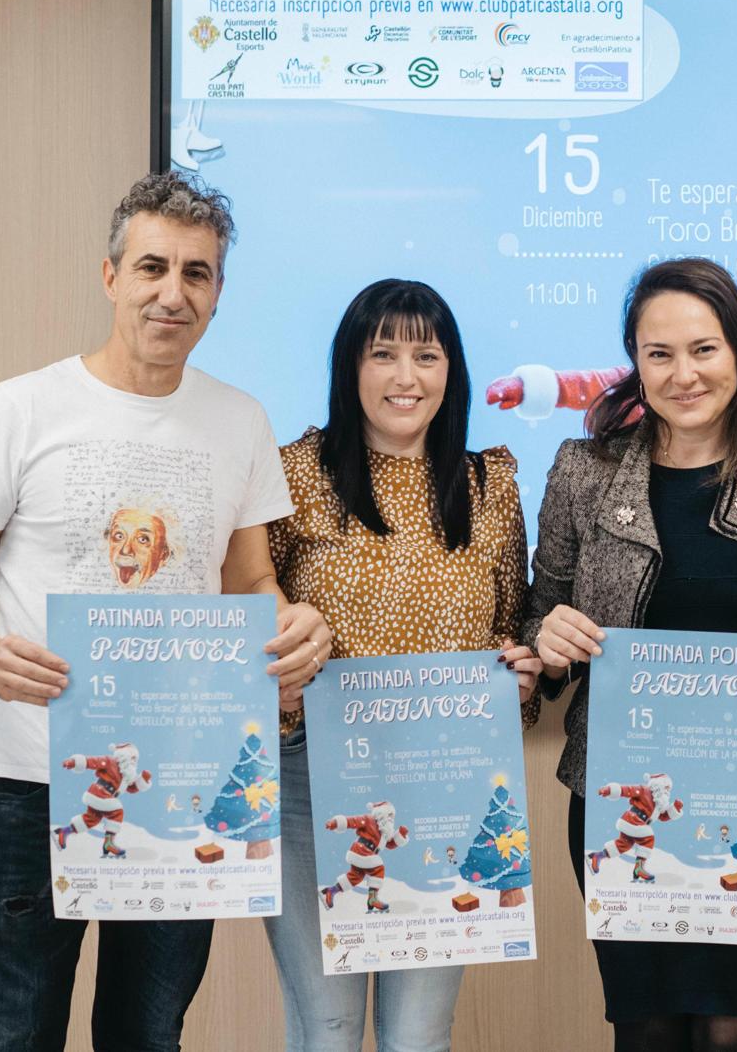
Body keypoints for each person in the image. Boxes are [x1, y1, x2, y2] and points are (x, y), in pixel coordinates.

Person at [0, 170, 330, 1051]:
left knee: (148, 1037)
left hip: (178, 787)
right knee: (11, 1033)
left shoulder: (239, 420)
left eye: (197, 273)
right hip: (29, 781)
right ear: (110, 276)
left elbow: (252, 585)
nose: (172, 292)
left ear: (218, 294)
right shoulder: (26, 406)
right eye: (152, 267)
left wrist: (293, 626)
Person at [524, 256, 737, 1052]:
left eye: (704, 349)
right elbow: (541, 620)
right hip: (623, 808)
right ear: (636, 363)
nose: (684, 374)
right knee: (646, 1031)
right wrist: (549, 641)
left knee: (734, 1035)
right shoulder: (586, 473)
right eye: (660, 354)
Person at [262, 279, 540, 1051]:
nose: (405, 376)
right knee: (327, 1032)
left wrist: (517, 672)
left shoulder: (491, 486)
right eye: (382, 353)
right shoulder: (296, 474)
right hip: (310, 787)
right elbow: (254, 625)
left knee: (419, 1039)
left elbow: (510, 626)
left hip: (442, 789)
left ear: (451, 369)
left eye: (426, 353)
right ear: (350, 368)